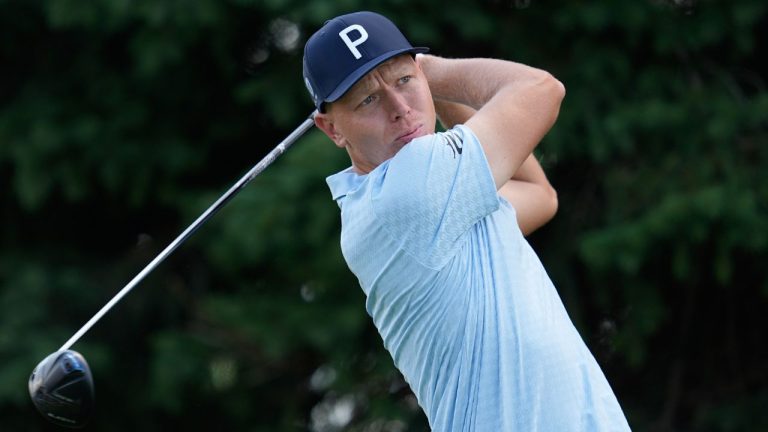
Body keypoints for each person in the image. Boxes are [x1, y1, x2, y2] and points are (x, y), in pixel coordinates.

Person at [302, 11, 631, 431]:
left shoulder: (425, 199)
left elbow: (539, 196)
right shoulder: (408, 192)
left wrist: (425, 90)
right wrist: (431, 73)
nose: (400, 108)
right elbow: (542, 89)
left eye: (403, 81)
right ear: (332, 129)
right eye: (368, 99)